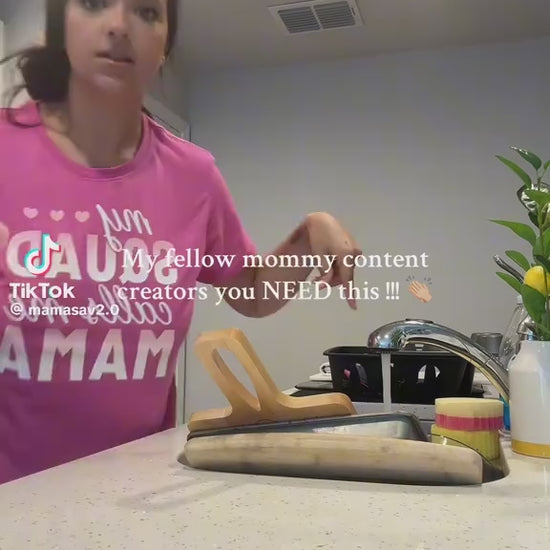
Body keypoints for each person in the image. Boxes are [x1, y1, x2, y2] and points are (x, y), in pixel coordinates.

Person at [0, 0, 361, 485]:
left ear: (164, 48)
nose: (119, 25)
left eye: (146, 12)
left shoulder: (193, 175)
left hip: (138, 493)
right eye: (94, 3)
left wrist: (309, 235)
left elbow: (253, 293)